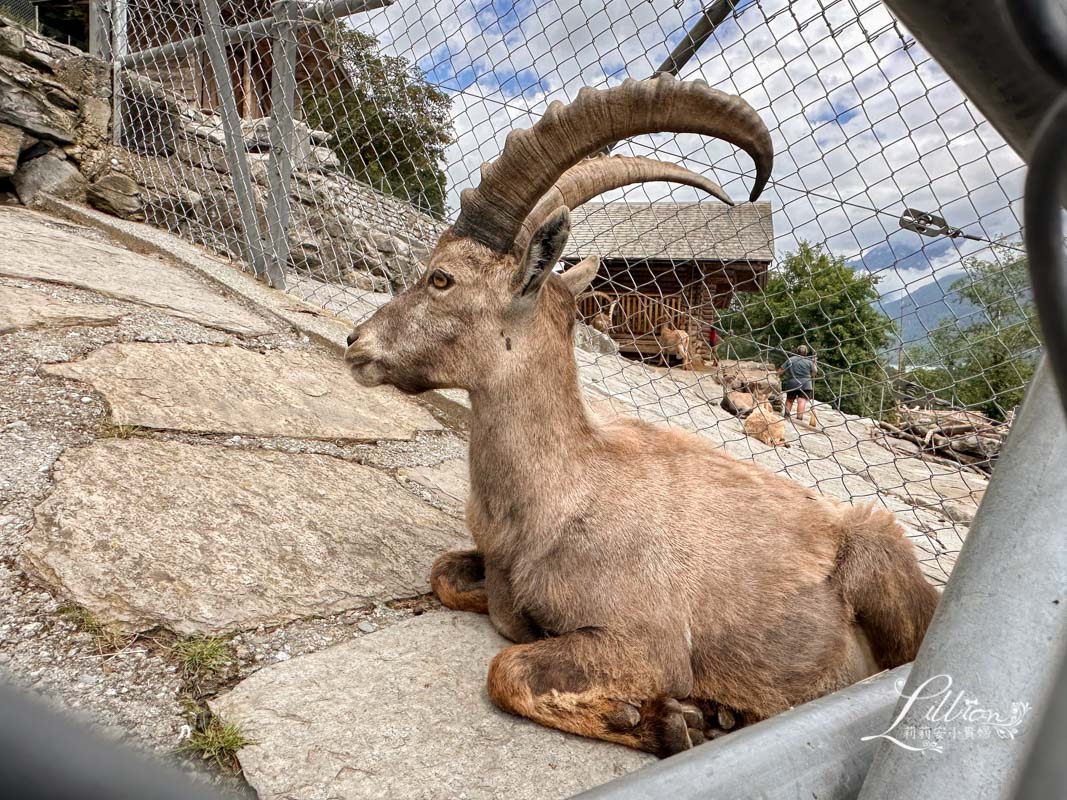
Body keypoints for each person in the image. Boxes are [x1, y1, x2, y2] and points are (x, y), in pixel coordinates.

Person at [778, 345, 816, 421]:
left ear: (797, 351)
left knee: (790, 399)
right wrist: (814, 364)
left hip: (792, 382)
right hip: (806, 384)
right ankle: (799, 418)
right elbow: (814, 373)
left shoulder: (791, 359)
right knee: (802, 400)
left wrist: (777, 376)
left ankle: (787, 415)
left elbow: (780, 370)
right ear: (806, 353)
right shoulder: (809, 362)